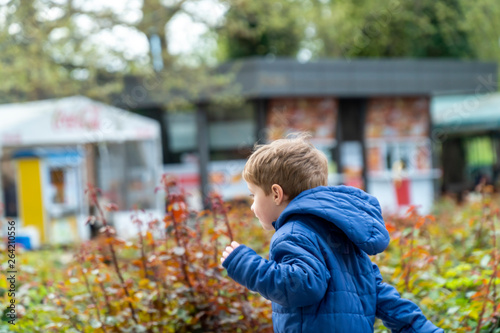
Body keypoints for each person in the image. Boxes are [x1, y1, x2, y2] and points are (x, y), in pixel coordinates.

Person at [220, 134, 443, 333]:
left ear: (276, 194)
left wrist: (245, 264)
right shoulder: (341, 230)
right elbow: (377, 292)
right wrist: (418, 327)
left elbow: (301, 285)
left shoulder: (292, 233)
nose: (251, 206)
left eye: (253, 195)